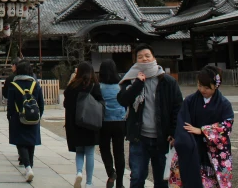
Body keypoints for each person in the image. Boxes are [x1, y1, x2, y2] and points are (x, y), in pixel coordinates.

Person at [118, 44, 182, 188]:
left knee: (161, 180)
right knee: (137, 177)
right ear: (136, 61)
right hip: (139, 137)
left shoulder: (167, 81)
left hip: (162, 137)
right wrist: (137, 85)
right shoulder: (131, 80)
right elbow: (122, 100)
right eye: (140, 57)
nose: (144, 59)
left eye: (147, 56)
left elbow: (178, 108)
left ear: (154, 58)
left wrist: (173, 132)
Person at [169, 66, 234, 188]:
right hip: (192, 145)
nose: (202, 89)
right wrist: (179, 138)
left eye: (207, 87)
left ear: (216, 86)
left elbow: (226, 126)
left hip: (214, 151)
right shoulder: (190, 101)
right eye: (199, 85)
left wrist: (202, 130)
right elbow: (182, 121)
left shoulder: (224, 104)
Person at [64, 61, 103, 188]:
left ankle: (79, 172)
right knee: (90, 152)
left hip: (75, 124)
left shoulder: (72, 87)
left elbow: (66, 105)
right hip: (90, 123)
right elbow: (100, 103)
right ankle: (89, 182)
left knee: (79, 151)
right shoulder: (94, 85)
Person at [7, 59, 45, 183]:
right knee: (31, 142)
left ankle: (28, 168)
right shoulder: (35, 84)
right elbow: (41, 103)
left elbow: (10, 104)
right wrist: (38, 115)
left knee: (21, 142)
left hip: (18, 117)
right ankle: (30, 167)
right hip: (33, 116)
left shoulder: (14, 85)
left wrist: (10, 116)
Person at [99, 60, 126, 188]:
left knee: (104, 148)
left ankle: (111, 172)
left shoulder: (99, 87)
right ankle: (120, 184)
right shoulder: (121, 86)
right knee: (119, 151)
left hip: (104, 122)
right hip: (120, 121)